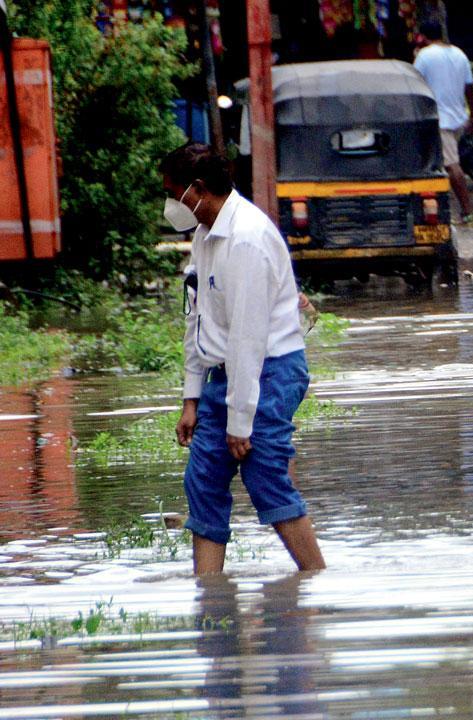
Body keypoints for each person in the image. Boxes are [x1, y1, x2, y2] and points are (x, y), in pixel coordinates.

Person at [163, 143, 325, 575]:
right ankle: (209, 596)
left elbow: (248, 339)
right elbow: (199, 320)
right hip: (224, 374)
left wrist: (239, 421)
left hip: (270, 370)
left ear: (197, 190)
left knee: (264, 477)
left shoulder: (248, 238)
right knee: (202, 481)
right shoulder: (205, 235)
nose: (170, 205)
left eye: (173, 193)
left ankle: (316, 582)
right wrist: (191, 399)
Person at [413, 16, 473, 224]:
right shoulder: (459, 53)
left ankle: (468, 211)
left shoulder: (424, 56)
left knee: (451, 166)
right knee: (444, 164)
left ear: (422, 36)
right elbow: (469, 86)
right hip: (458, 116)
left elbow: (415, 84)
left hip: (440, 119)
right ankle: (443, 209)